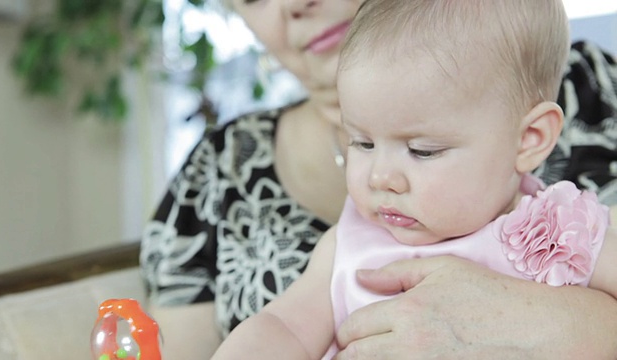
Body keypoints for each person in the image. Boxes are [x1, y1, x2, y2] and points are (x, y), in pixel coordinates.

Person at [139, 0, 617, 358]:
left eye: (422, 150)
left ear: (530, 139)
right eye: (361, 143)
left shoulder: (559, 228)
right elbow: (283, 326)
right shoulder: (352, 242)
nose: (380, 177)